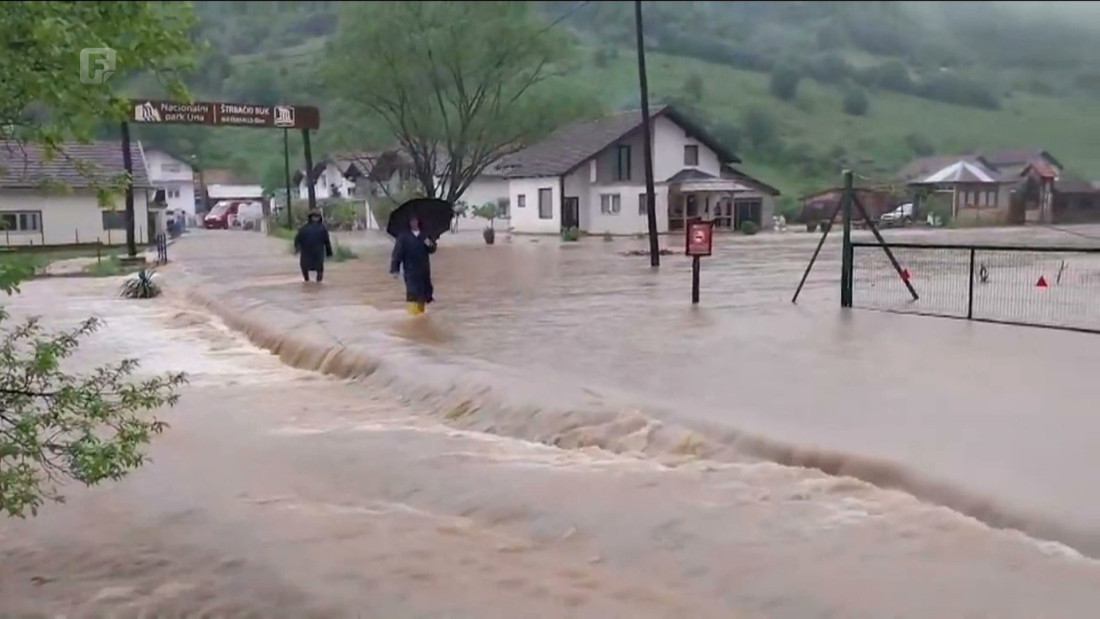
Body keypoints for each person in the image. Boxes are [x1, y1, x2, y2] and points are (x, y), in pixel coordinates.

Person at [389, 216, 436, 315]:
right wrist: (395, 269)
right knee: (412, 292)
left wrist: (429, 243)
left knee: (424, 292)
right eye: (412, 221)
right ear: (409, 222)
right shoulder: (403, 237)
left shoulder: (425, 234)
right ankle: (412, 316)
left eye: (415, 220)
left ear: (419, 221)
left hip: (424, 270)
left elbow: (432, 250)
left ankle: (421, 316)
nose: (414, 223)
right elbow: (397, 254)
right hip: (410, 270)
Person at [294, 210, 333, 282]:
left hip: (317, 252)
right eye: (314, 217)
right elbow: (297, 239)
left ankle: (318, 283)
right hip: (307, 252)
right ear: (310, 217)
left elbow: (327, 241)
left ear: (319, 218)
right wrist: (297, 248)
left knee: (319, 269)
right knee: (305, 267)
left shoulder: (322, 229)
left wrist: (329, 252)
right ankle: (307, 281)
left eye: (317, 217)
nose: (315, 218)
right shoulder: (304, 228)